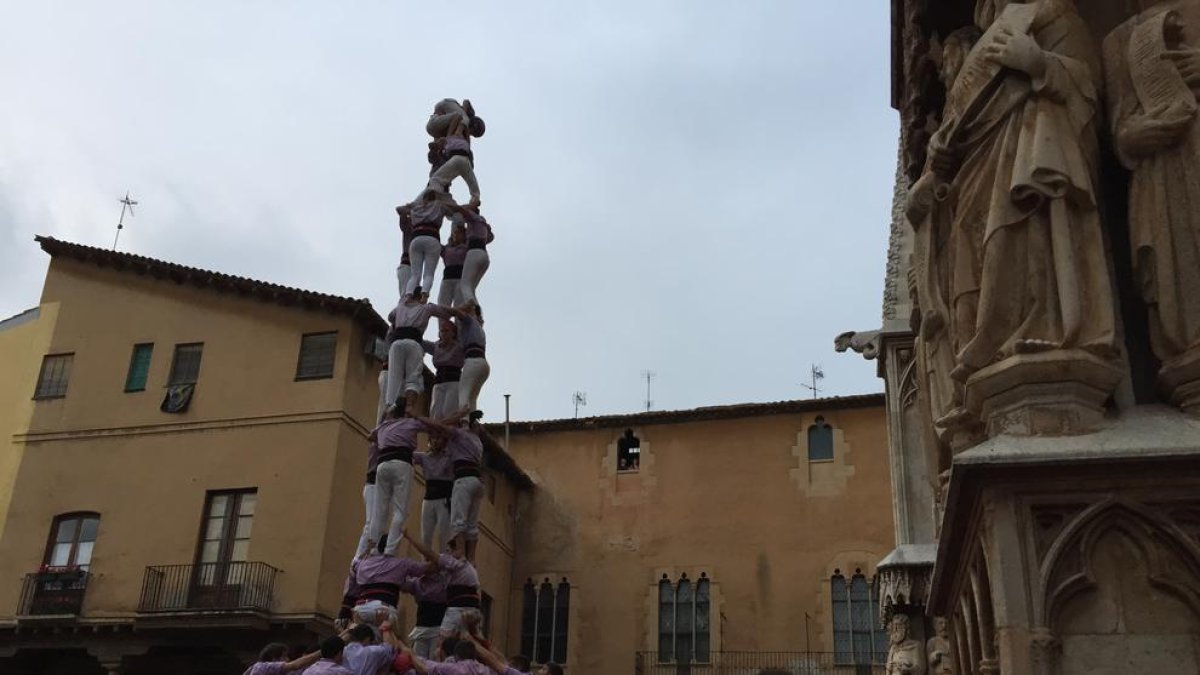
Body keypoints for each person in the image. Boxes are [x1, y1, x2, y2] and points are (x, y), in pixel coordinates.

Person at [338, 535, 438, 633]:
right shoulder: (402, 564)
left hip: (360, 610)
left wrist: (367, 550)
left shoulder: (364, 563)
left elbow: (354, 567)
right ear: (394, 546)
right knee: (387, 644)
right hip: (384, 609)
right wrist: (439, 559)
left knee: (360, 644)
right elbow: (427, 568)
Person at [368, 407, 432, 556]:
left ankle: (373, 548)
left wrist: (385, 422)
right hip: (401, 463)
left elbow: (370, 436)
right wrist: (417, 416)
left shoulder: (384, 426)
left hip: (382, 464)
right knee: (400, 510)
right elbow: (432, 426)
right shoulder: (410, 423)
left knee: (379, 510)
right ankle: (390, 550)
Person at [422, 413, 485, 561]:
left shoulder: (460, 435)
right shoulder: (477, 441)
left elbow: (438, 425)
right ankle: (471, 559)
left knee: (458, 519)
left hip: (464, 479)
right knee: (472, 523)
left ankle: (461, 553)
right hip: (478, 481)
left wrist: (457, 415)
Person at [385, 294, 452, 413]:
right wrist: (459, 311)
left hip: (396, 344)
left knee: (394, 378)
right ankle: (409, 406)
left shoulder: (400, 307)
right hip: (413, 343)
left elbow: (390, 317)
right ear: (422, 297)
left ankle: (390, 407)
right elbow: (446, 313)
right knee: (413, 378)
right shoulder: (426, 308)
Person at [414, 435, 455, 555]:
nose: (436, 440)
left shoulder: (450, 457)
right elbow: (407, 454)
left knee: (444, 536)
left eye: (439, 437)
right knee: (425, 535)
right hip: (428, 498)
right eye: (433, 438)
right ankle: (425, 565)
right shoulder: (424, 457)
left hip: (444, 499)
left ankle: (444, 565)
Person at [424, 320, 465, 420]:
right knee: (435, 412)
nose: (444, 333)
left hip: (454, 381)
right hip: (438, 381)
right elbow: (421, 342)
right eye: (442, 331)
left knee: (449, 411)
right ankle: (435, 434)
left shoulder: (459, 346)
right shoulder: (436, 346)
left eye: (446, 331)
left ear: (453, 333)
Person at [455, 305, 489, 418]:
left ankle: (464, 422)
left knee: (463, 393)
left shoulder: (471, 322)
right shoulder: (479, 327)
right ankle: (472, 421)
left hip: (473, 361)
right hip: (483, 363)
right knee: (472, 396)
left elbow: (457, 313)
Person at [457, 209, 493, 308]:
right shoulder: (482, 223)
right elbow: (491, 237)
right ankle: (477, 313)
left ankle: (471, 308)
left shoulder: (473, 219)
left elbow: (460, 209)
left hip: (474, 252)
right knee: (471, 289)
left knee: (464, 285)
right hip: (484, 254)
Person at [353, 439, 381, 559]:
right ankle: (358, 557)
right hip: (373, 485)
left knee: (377, 523)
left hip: (378, 486)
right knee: (371, 522)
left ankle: (371, 552)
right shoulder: (377, 445)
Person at [242, 642, 321, 674]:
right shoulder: (262, 667)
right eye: (284, 656)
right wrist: (324, 650)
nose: (287, 659)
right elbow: (295, 665)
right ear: (273, 658)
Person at [438, 226, 469, 307]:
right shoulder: (446, 249)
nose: (456, 235)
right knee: (442, 305)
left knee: (460, 305)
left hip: (460, 278)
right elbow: (434, 244)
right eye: (454, 233)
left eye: (459, 233)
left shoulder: (467, 248)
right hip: (447, 279)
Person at [396, 206, 414, 298]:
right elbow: (399, 209)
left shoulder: (419, 231)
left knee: (411, 293)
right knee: (406, 294)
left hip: (414, 266)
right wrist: (410, 209)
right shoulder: (408, 229)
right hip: (407, 264)